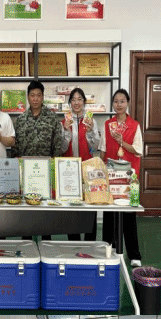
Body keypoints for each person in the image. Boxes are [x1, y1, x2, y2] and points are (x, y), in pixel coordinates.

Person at [102, 89, 143, 266]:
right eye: (116, 101)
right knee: (109, 213)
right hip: (111, 175)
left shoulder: (134, 125)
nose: (119, 104)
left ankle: (134, 255)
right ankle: (108, 249)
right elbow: (103, 148)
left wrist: (121, 142)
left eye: (122, 101)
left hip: (128, 176)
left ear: (128, 103)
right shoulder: (107, 124)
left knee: (129, 215)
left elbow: (138, 150)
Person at [60, 87, 101, 242]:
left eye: (79, 99)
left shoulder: (91, 121)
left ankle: (90, 242)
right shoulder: (64, 122)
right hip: (69, 170)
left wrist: (90, 131)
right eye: (73, 100)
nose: (76, 103)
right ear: (69, 103)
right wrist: (66, 131)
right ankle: (74, 242)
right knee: (71, 208)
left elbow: (95, 146)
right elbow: (62, 148)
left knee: (90, 205)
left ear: (84, 102)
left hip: (87, 168)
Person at [12, 80, 60, 159]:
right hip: (25, 164)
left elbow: (57, 146)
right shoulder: (20, 120)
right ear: (28, 97)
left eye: (38, 95)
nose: (35, 99)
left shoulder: (52, 118)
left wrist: (54, 163)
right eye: (32, 95)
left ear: (42, 97)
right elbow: (15, 147)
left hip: (46, 164)